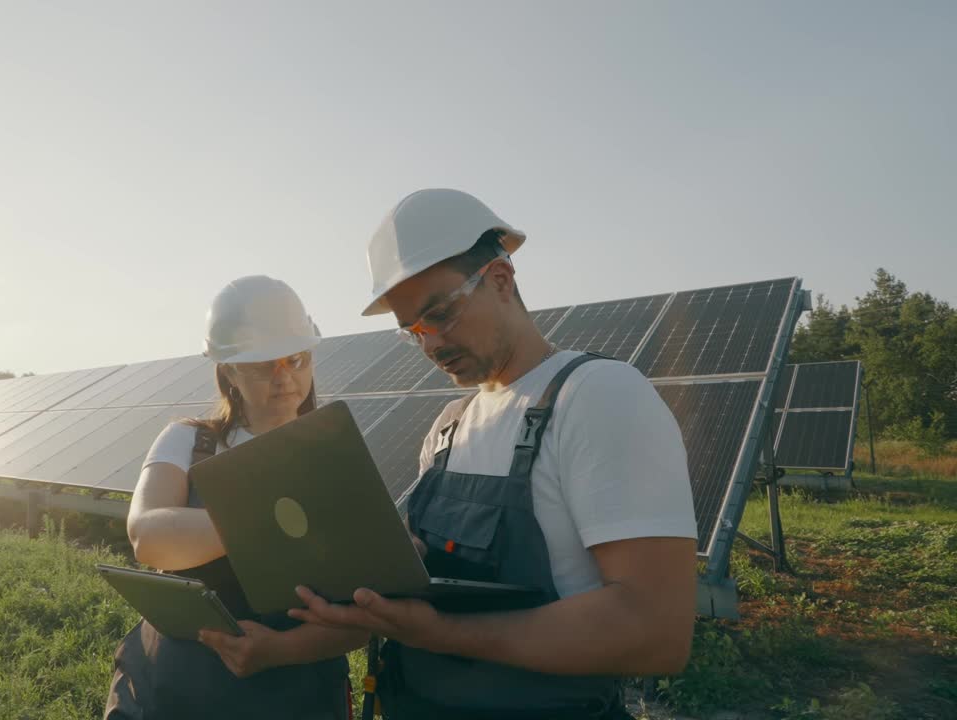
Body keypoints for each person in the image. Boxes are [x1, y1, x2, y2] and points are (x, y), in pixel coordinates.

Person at [290, 189, 699, 719]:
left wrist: (439, 633)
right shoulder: (447, 428)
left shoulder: (597, 397)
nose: (431, 344)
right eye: (412, 331)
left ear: (501, 279)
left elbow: (655, 631)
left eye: (440, 313)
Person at [105, 275, 365, 720]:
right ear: (228, 370)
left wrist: (279, 650)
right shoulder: (188, 441)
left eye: (297, 359)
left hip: (296, 691)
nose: (285, 378)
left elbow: (362, 611)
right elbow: (147, 536)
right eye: (264, 365)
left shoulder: (335, 456)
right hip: (177, 684)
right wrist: (275, 521)